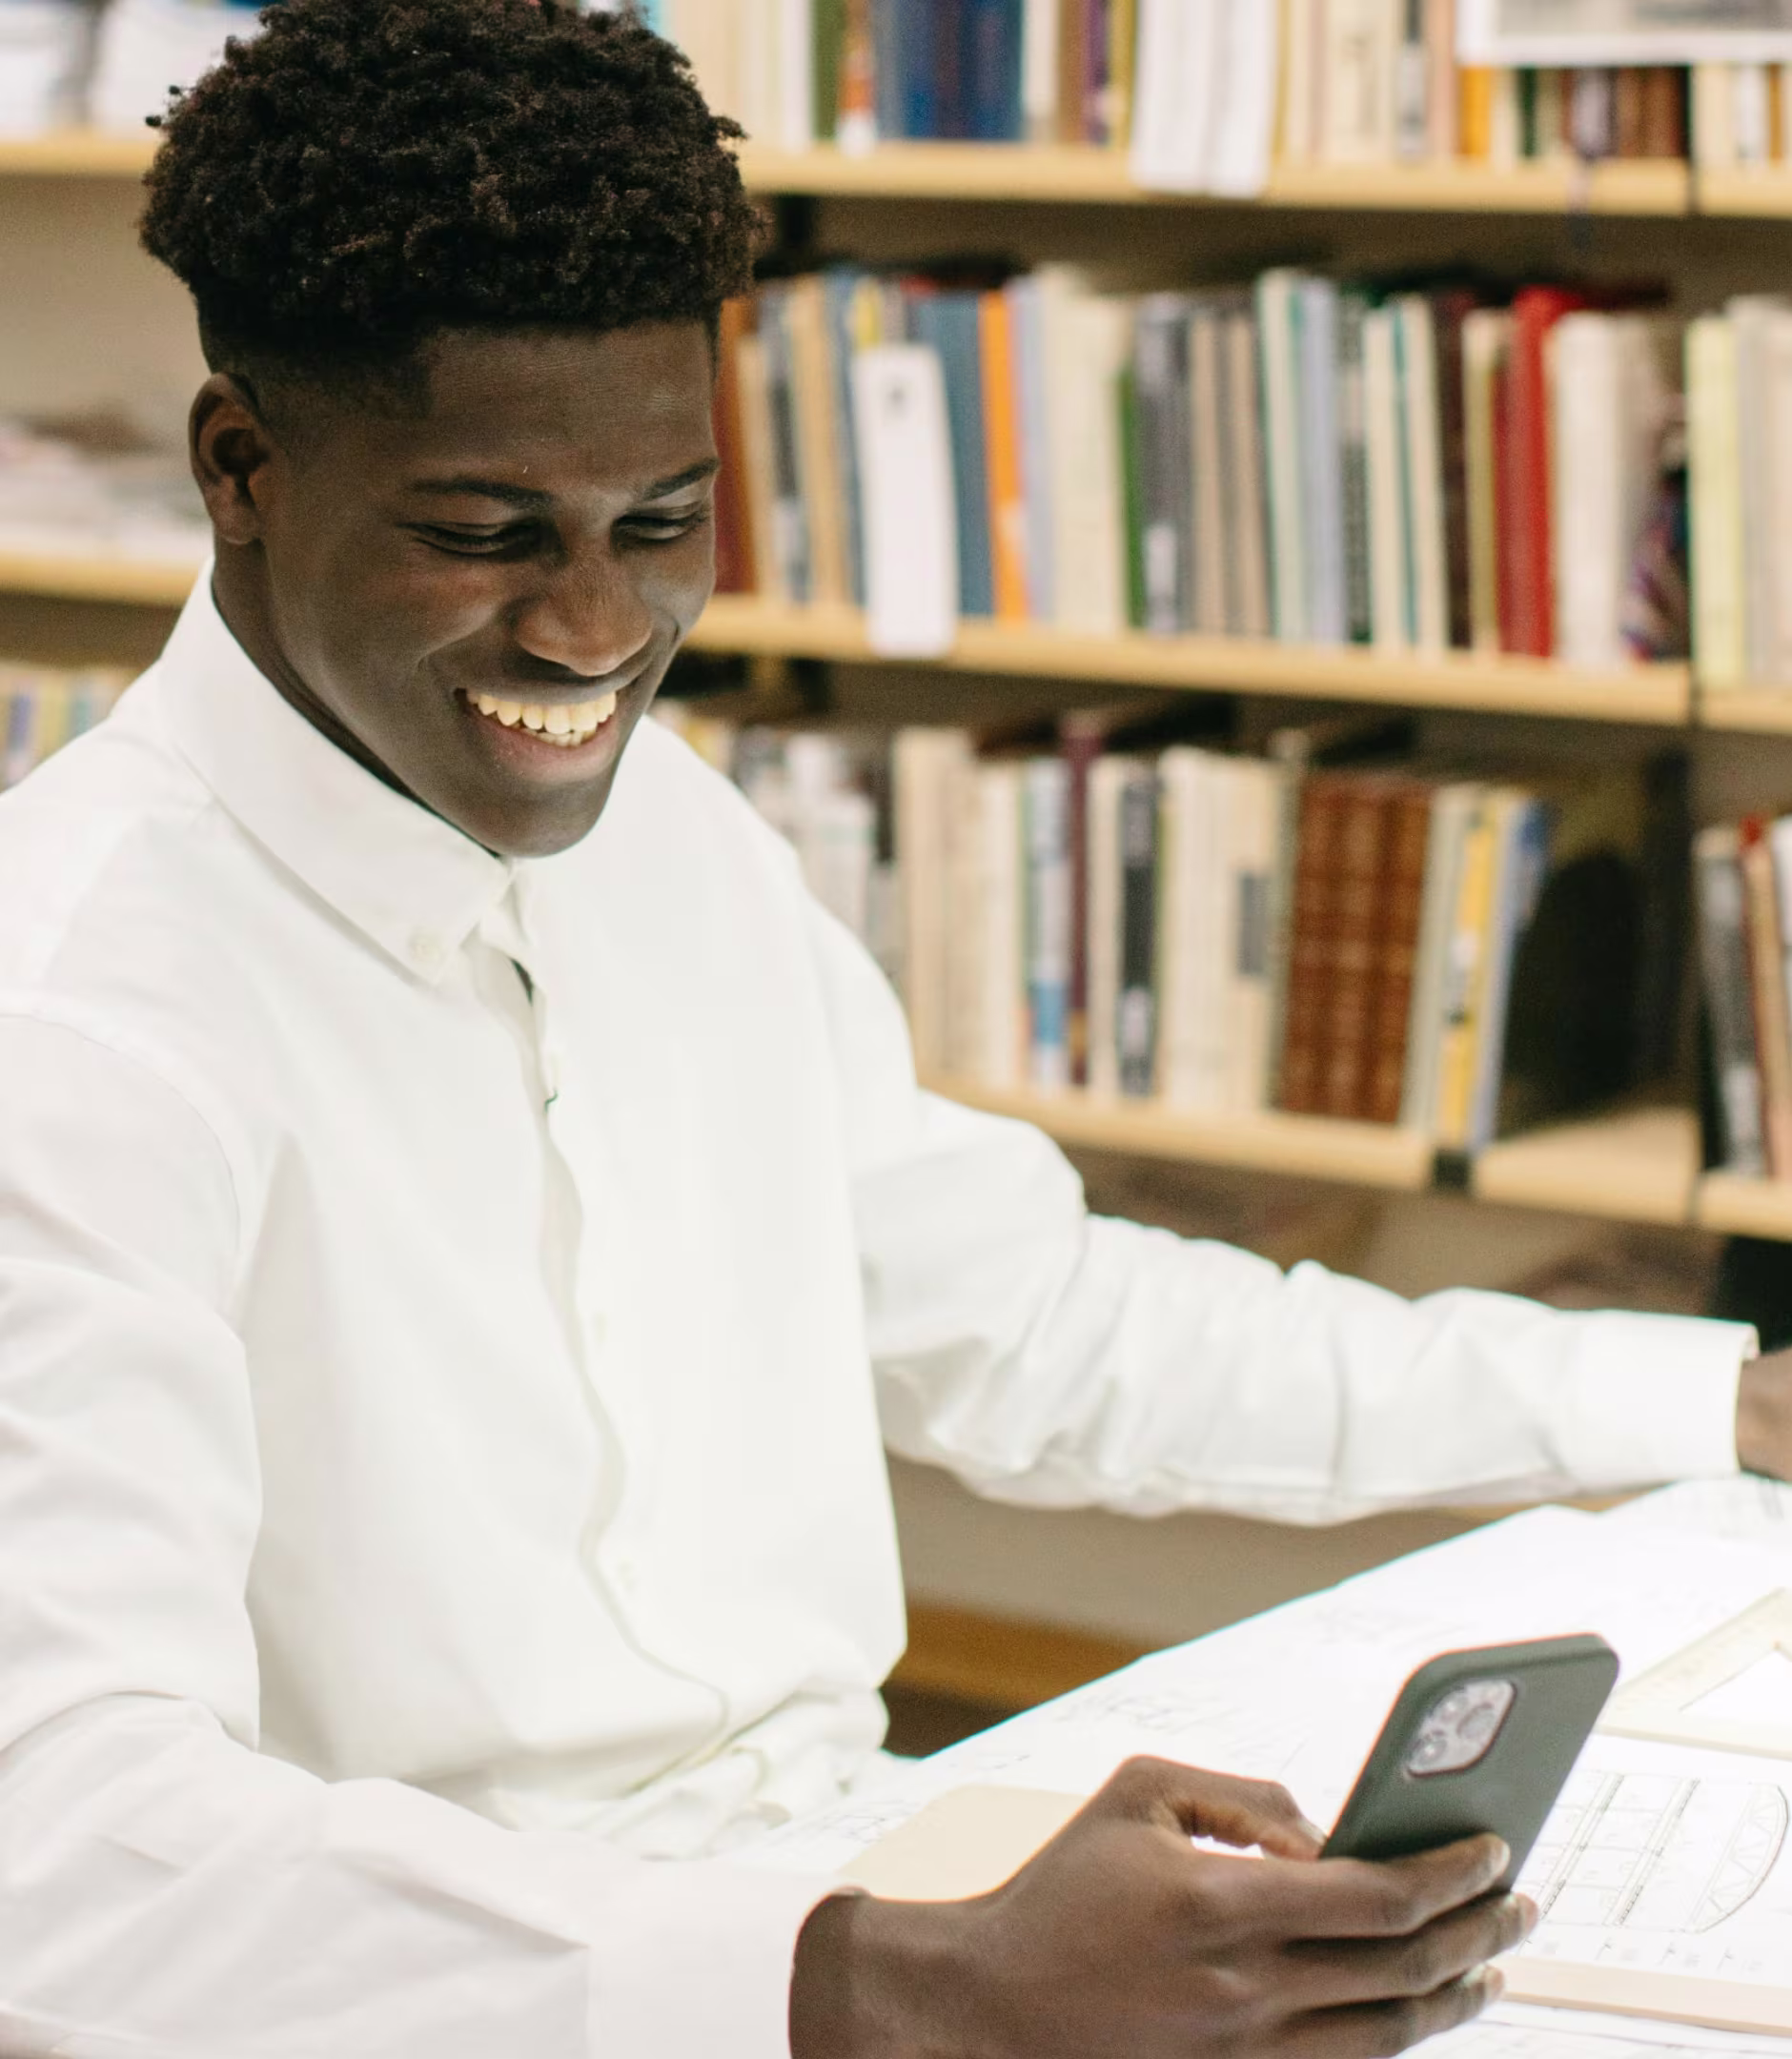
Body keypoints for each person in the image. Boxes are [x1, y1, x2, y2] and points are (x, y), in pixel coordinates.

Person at [0, 5, 1787, 2054]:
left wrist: (1696, 1403)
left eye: (659, 521)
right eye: (486, 537)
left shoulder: (664, 829)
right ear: (242, 469)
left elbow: (1028, 1322)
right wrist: (894, 1988)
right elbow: (61, 1843)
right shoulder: (65, 1022)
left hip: (861, 1878)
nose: (595, 636)